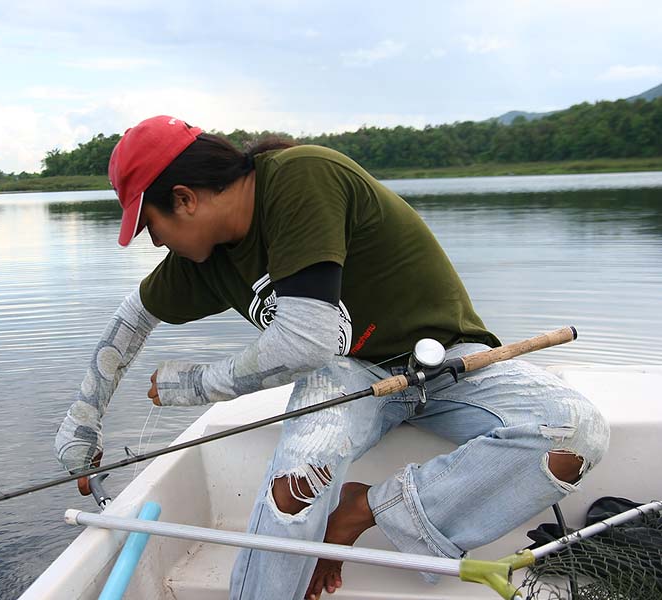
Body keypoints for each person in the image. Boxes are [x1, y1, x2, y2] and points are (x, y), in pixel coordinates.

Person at [53, 115, 610, 600]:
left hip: (450, 358)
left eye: (151, 225)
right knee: (293, 488)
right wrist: (82, 419)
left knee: (576, 435)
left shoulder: (301, 174)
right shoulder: (204, 260)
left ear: (184, 198)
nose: (155, 243)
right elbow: (131, 319)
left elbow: (305, 337)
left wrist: (198, 384)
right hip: (349, 373)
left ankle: (363, 509)